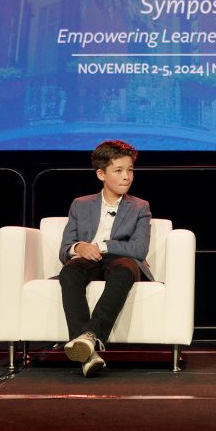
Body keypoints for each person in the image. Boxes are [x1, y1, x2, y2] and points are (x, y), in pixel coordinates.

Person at [58, 139, 154, 376]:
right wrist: (79, 247)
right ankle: (87, 352)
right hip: (87, 259)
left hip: (121, 260)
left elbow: (139, 249)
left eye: (130, 170)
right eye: (118, 171)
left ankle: (89, 336)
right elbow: (64, 249)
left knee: (123, 269)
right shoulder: (80, 205)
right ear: (101, 174)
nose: (126, 177)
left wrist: (101, 245)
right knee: (69, 271)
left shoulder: (140, 207)